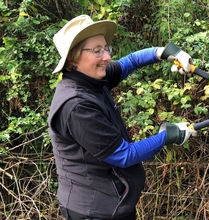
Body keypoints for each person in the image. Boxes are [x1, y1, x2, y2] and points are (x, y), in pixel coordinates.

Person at [48, 14, 197, 220]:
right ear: (73, 58)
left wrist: (165, 52)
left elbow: (131, 61)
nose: (107, 57)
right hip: (94, 211)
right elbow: (123, 155)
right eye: (97, 51)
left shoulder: (90, 78)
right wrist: (167, 135)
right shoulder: (76, 106)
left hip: (112, 204)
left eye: (105, 48)